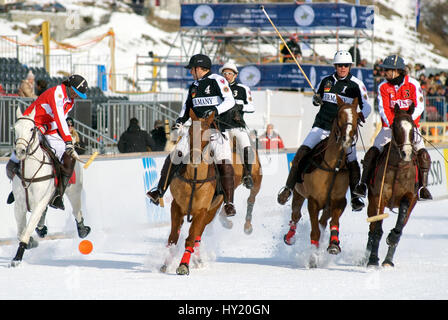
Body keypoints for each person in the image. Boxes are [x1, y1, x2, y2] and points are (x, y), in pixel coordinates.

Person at [277, 50, 372, 211]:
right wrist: (316, 100)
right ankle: (288, 188)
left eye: (346, 65)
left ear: (350, 67)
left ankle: (355, 198)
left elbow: (367, 106)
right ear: (335, 66)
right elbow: (318, 98)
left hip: (343, 132)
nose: (342, 68)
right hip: (321, 126)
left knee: (352, 160)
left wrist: (359, 117)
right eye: (340, 65)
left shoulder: (356, 85)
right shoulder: (326, 81)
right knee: (301, 152)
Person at [146, 53, 237, 216]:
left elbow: (230, 101)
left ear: (199, 68)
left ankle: (229, 203)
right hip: (195, 129)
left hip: (215, 129)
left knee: (224, 162)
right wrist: (180, 120)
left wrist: (215, 110)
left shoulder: (217, 79)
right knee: (175, 155)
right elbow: (187, 106)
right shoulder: (194, 86)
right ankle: (159, 190)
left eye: (192, 69)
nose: (190, 73)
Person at [353, 54, 432, 201]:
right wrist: (394, 125)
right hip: (389, 128)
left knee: (423, 153)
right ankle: (363, 185)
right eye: (385, 70)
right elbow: (383, 109)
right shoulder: (383, 86)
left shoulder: (413, 84)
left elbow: (419, 106)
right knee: (373, 151)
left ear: (398, 71)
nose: (385, 72)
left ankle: (423, 187)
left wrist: (406, 123)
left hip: (410, 127)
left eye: (388, 70)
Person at [6, 74, 88, 209]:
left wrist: (63, 139)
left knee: (62, 154)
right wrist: (67, 139)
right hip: (31, 124)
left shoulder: (70, 101)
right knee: (20, 154)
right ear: (70, 87)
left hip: (46, 129)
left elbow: (57, 122)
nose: (77, 96)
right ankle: (16, 187)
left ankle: (57, 193)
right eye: (76, 92)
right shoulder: (58, 93)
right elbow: (60, 118)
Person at [218, 61, 256, 189]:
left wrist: (239, 106)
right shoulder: (217, 89)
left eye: (230, 73)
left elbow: (251, 107)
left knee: (247, 147)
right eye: (225, 73)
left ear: (235, 75)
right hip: (221, 128)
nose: (227, 75)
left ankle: (248, 175)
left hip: (237, 126)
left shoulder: (243, 89)